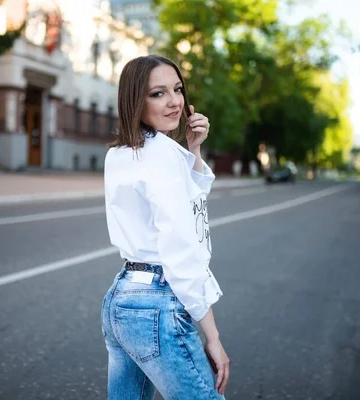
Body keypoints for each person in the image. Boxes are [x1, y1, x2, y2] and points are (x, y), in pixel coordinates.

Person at [101, 54, 230, 400]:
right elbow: (184, 252)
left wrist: (193, 151)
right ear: (135, 100)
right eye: (158, 94)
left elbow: (188, 204)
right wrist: (213, 338)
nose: (175, 101)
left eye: (177, 89)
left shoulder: (119, 154)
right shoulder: (163, 156)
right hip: (156, 303)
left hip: (122, 298)